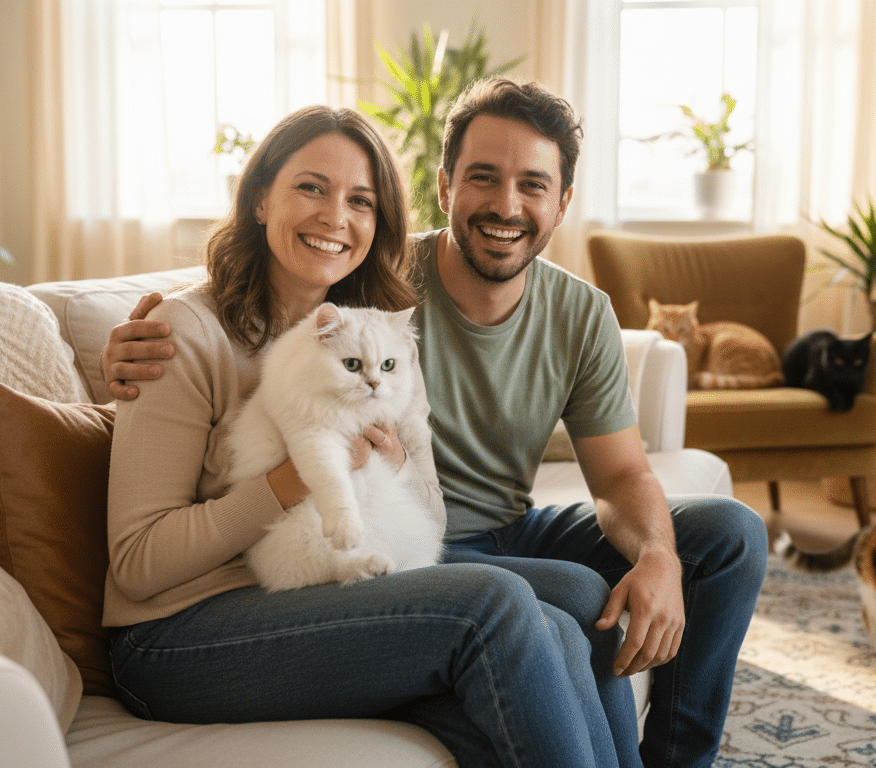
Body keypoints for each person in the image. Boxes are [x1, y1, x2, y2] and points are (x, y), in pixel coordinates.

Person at [104, 80, 770, 768]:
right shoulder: (202, 329)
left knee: (584, 612)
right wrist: (143, 333)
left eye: (360, 200)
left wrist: (382, 467)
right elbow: (140, 558)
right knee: (504, 603)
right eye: (311, 188)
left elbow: (439, 503)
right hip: (181, 631)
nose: (336, 218)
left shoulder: (375, 323)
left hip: (344, 571)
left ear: (562, 202)